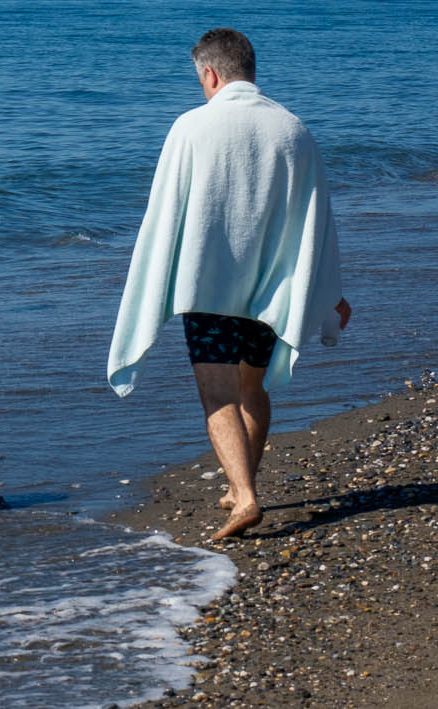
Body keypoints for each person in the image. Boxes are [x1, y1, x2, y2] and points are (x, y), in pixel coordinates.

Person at [108, 28, 352, 541]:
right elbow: (315, 220)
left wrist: (156, 281)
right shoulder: (293, 130)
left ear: (210, 73)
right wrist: (329, 292)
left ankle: (243, 496)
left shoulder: (193, 127)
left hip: (209, 286)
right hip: (271, 288)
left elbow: (165, 214)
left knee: (216, 389)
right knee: (251, 386)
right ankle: (243, 484)